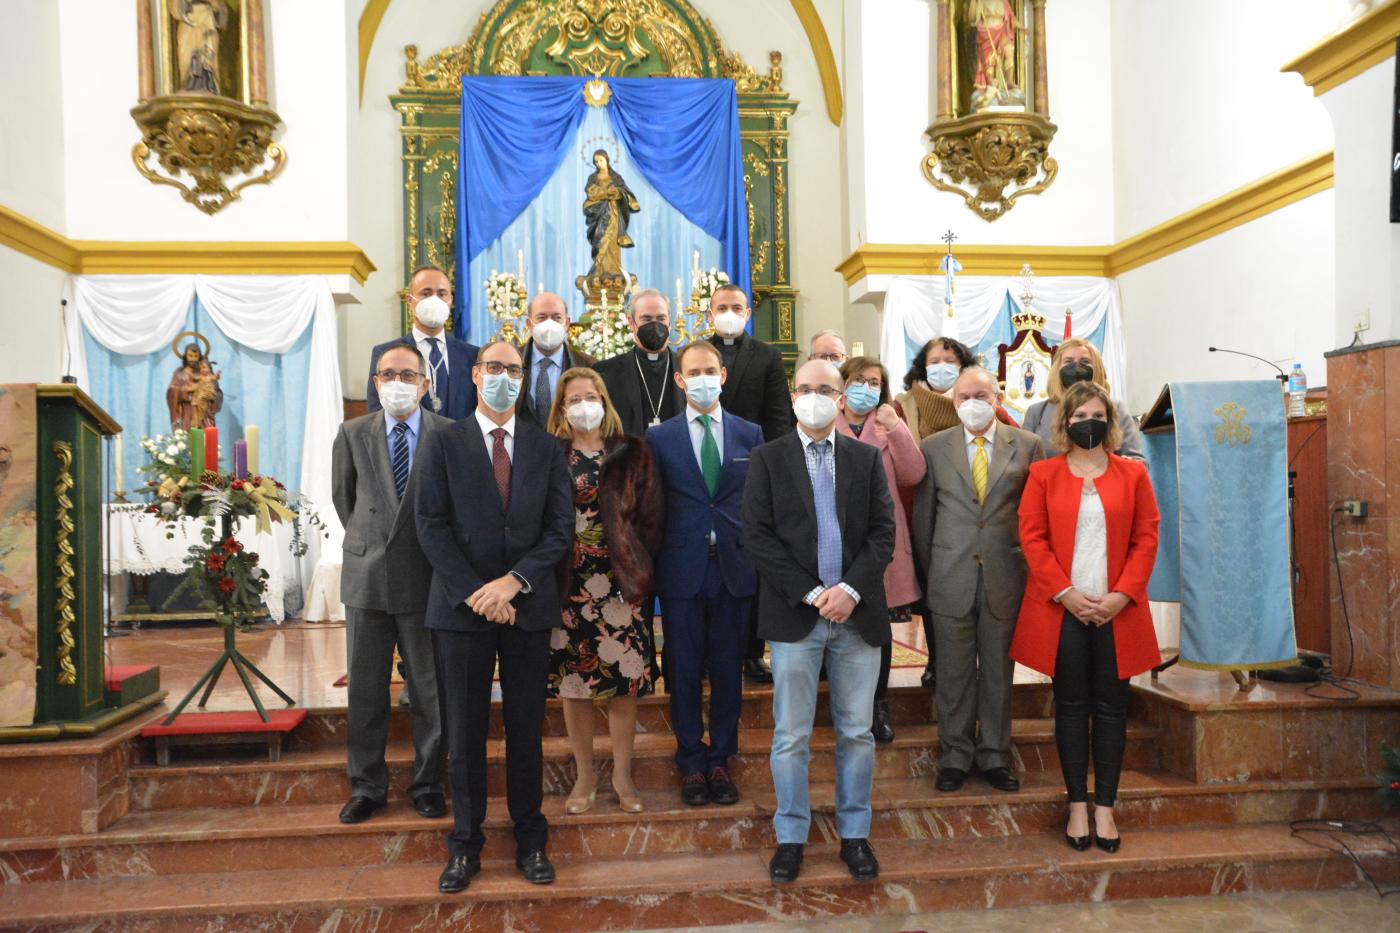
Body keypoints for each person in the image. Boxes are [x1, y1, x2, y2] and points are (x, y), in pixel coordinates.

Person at [414, 340, 574, 894]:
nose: (504, 377)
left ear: (524, 379)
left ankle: (531, 839)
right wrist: (477, 592)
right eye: (495, 368)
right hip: (461, 611)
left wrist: (513, 583)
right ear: (476, 375)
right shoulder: (443, 441)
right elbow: (430, 525)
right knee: (464, 731)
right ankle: (465, 845)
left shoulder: (546, 446)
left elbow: (559, 527)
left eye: (514, 369)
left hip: (526, 607)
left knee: (526, 730)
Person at [742, 359, 896, 886]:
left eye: (825, 389)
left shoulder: (866, 458)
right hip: (796, 617)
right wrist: (814, 594)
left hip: (857, 616)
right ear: (792, 395)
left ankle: (855, 834)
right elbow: (758, 537)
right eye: (805, 388)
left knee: (856, 732)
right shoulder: (767, 458)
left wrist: (849, 590)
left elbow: (883, 533)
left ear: (841, 397)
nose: (815, 396)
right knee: (791, 736)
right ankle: (791, 836)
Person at [1010, 380, 1160, 854]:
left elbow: (1146, 537)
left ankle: (1106, 808)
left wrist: (1122, 595)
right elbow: (1031, 538)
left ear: (1109, 421)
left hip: (1117, 607)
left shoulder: (1133, 475)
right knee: (1072, 707)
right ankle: (1077, 803)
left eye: (1095, 415)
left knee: (1112, 709)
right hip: (1065, 609)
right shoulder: (1044, 475)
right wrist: (1065, 592)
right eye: (1077, 418)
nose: (1087, 423)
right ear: (1065, 424)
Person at [912, 367, 1044, 796]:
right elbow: (924, 519)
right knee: (952, 674)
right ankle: (954, 754)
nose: (973, 402)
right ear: (954, 402)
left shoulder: (1028, 445)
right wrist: (930, 575)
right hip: (950, 577)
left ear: (997, 396)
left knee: (998, 673)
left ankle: (994, 755)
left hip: (1006, 576)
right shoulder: (933, 447)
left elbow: (1036, 517)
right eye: (964, 396)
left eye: (981, 394)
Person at [331, 342, 448, 825]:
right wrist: (370, 543)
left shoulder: (448, 434)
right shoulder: (353, 431)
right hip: (367, 577)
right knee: (365, 688)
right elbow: (345, 499)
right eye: (387, 374)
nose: (397, 382)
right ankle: (366, 785)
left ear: (424, 383)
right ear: (376, 383)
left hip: (425, 579)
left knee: (429, 690)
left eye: (407, 374)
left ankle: (427, 783)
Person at [647, 341, 763, 808]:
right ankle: (691, 760)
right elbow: (653, 507)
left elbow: (755, 502)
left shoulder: (750, 432)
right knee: (685, 670)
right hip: (681, 570)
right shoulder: (659, 437)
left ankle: (722, 758)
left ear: (723, 375)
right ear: (679, 379)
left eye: (709, 370)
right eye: (693, 371)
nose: (702, 378)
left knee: (729, 671)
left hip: (735, 569)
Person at [546, 367, 663, 816]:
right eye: (573, 399)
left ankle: (622, 774)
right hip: (567, 585)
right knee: (574, 685)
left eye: (590, 396)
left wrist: (637, 565)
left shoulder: (632, 451)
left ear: (605, 399)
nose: (583, 405)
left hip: (620, 585)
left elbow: (651, 519)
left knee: (623, 685)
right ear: (561, 408)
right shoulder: (550, 452)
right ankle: (584, 775)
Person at [895, 336, 1014, 689]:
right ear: (922, 365)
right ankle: (937, 660)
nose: (943, 366)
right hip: (922, 512)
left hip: (979, 519)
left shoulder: (987, 405)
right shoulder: (904, 406)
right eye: (935, 360)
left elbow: (1016, 446)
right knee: (939, 596)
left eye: (951, 360)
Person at [835, 356, 926, 744]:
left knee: (877, 631)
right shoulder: (825, 420)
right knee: (836, 628)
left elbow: (913, 474)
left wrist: (899, 429)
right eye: (858, 380)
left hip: (880, 543)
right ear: (842, 385)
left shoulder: (888, 424)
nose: (866, 387)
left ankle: (878, 705)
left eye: (874, 381)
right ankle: (842, 707)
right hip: (836, 542)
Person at [707, 283, 792, 684]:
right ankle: (710, 650)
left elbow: (778, 417)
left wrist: (773, 469)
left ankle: (752, 652)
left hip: (754, 469)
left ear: (746, 313)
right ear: (710, 313)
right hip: (706, 467)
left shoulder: (767, 357)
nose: (728, 312)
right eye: (721, 307)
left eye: (735, 307)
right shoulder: (696, 354)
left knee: (753, 564)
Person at [368, 265, 480, 420]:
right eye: (426, 294)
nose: (434, 300)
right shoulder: (386, 353)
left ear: (450, 301)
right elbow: (377, 414)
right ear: (410, 300)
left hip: (460, 441)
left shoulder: (472, 355)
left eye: (442, 294)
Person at [1021, 338, 1144, 461]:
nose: (1076, 367)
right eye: (1068, 361)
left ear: (1097, 368)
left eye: (1085, 362)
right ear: (1057, 368)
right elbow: (1023, 461)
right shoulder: (1037, 412)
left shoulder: (1116, 408)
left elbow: (1137, 461)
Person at [594, 289, 685, 437]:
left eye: (661, 318)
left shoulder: (686, 368)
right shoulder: (605, 372)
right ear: (631, 322)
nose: (655, 325)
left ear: (670, 322)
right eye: (647, 319)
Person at [518, 292, 596, 430]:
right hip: (521, 446)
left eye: (556, 317)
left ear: (566, 323)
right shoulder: (512, 362)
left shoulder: (589, 366)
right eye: (541, 317)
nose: (549, 324)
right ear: (529, 324)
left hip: (569, 445)